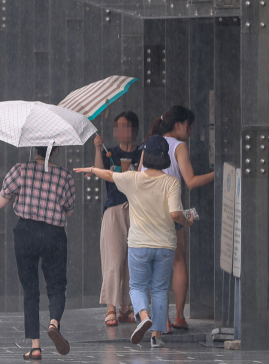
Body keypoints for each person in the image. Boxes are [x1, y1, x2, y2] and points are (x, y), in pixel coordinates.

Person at [75, 135, 194, 348]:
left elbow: (110, 175)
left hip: (139, 243)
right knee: (158, 289)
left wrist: (91, 170)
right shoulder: (171, 183)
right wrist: (188, 221)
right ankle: (156, 335)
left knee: (137, 287)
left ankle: (143, 314)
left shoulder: (134, 179)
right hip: (165, 244)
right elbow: (176, 214)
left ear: (145, 156)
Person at [141, 105, 214, 332]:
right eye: (189, 125)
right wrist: (217, 173)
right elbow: (190, 181)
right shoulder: (179, 146)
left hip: (148, 212)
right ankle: (179, 316)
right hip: (171, 211)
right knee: (178, 262)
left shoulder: (149, 144)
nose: (190, 130)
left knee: (154, 265)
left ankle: (159, 317)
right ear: (178, 125)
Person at [0, 146, 75, 359]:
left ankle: (35, 346)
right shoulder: (65, 176)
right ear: (57, 149)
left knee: (30, 289)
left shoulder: (20, 170)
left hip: (26, 232)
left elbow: (1, 202)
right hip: (54, 234)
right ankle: (53, 323)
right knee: (57, 285)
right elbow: (69, 210)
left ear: (34, 148)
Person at [93, 112, 141, 327]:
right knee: (113, 259)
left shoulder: (142, 153)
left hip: (138, 209)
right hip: (113, 208)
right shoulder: (109, 152)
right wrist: (97, 148)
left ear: (134, 129)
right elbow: (98, 172)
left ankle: (127, 307)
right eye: (118, 127)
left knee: (133, 261)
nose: (121, 132)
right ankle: (111, 306)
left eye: (125, 127)